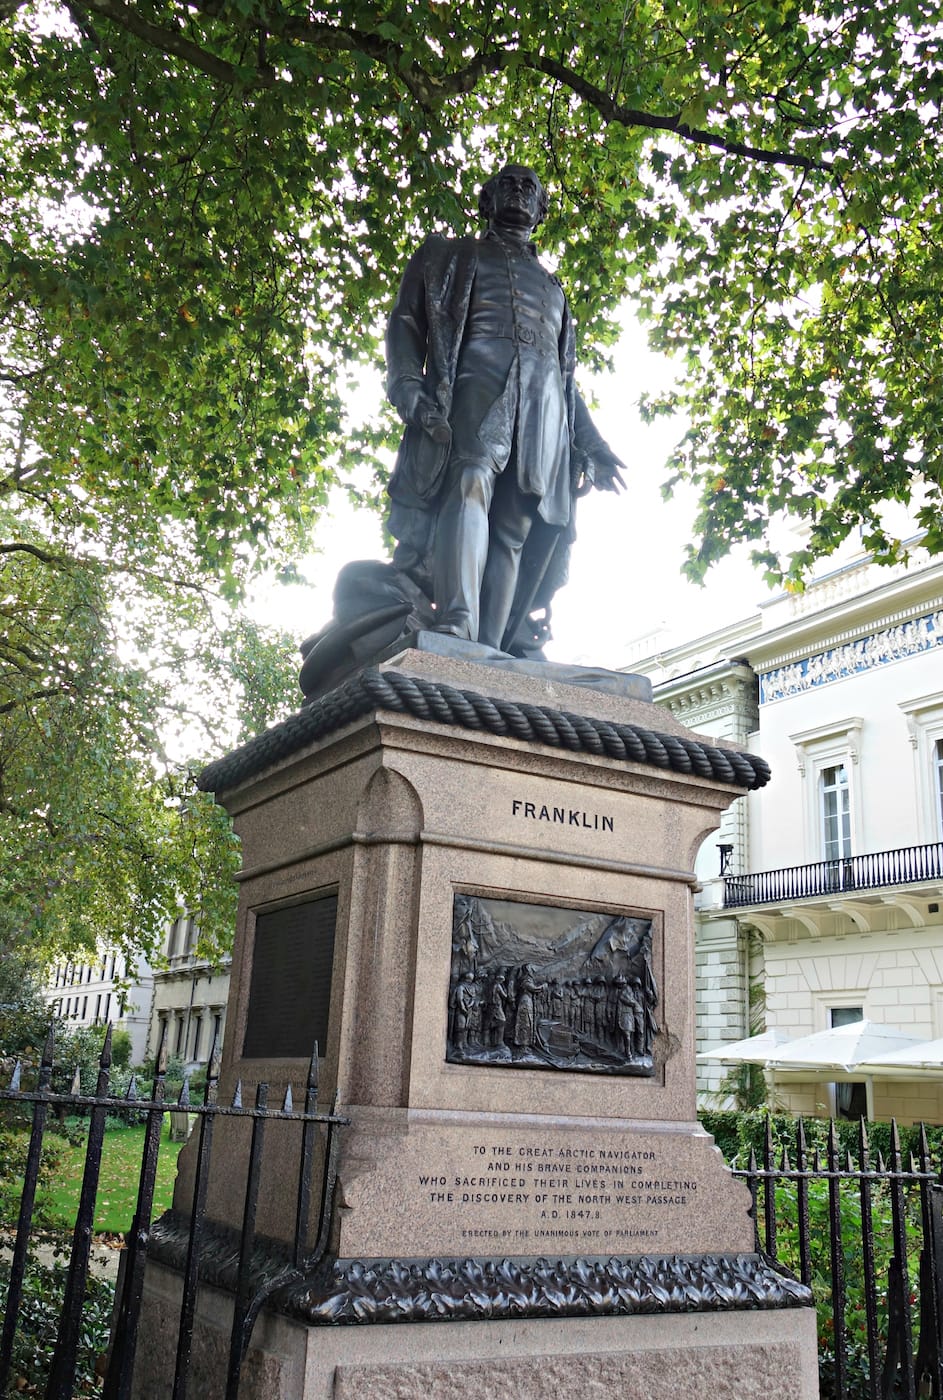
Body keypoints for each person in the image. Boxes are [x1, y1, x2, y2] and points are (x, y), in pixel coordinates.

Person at [385, 164, 625, 655]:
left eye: (529, 187)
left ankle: (490, 651)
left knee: (515, 524)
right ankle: (456, 623)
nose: (518, 191)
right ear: (487, 201)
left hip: (543, 413)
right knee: (470, 481)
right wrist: (409, 387)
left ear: (541, 211)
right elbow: (407, 323)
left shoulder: (554, 289)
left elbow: (565, 378)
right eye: (507, 184)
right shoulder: (448, 257)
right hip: (474, 384)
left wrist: (593, 445)